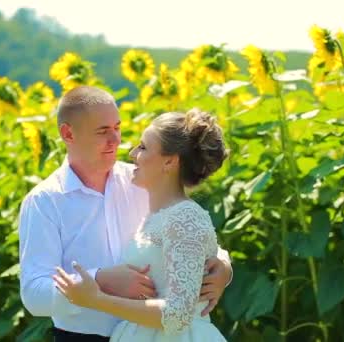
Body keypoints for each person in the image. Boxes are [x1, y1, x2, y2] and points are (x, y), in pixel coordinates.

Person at [18, 86, 232, 342]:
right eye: (103, 131)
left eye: (117, 128)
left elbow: (187, 234)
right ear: (68, 133)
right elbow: (33, 294)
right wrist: (100, 281)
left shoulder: (143, 180)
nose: (116, 140)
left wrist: (224, 267)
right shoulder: (45, 201)